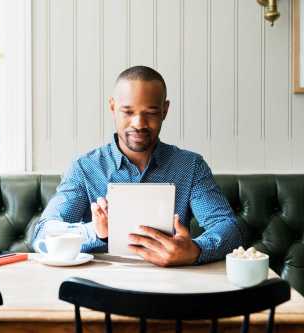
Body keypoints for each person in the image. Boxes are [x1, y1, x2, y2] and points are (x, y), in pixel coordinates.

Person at [31, 65, 244, 266]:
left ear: (165, 110)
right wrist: (97, 232)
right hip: (100, 287)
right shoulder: (85, 168)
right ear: (113, 107)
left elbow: (229, 228)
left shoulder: (190, 166)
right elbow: (43, 234)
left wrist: (195, 250)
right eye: (128, 112)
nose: (139, 123)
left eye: (150, 112)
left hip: (172, 285)